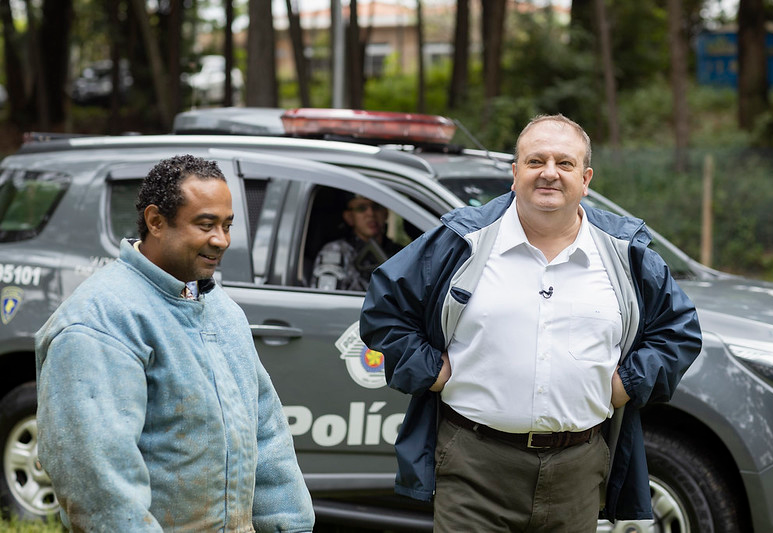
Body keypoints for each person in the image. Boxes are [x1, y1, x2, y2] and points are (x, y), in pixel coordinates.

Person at [360, 115, 702, 532]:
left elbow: (678, 330)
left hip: (578, 471)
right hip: (474, 467)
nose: (549, 174)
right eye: (535, 161)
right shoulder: (462, 242)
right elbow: (383, 308)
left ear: (586, 177)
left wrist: (630, 382)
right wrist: (428, 370)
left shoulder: (624, 253)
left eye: (565, 163)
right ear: (515, 172)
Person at [35, 155, 315, 533]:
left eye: (227, 225)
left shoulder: (221, 309)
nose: (221, 240)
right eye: (206, 225)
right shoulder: (99, 323)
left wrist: (292, 526)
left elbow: (266, 436)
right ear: (155, 221)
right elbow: (99, 483)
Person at [311, 193, 402, 291]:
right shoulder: (336, 251)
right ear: (349, 217)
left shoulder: (402, 254)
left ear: (386, 213)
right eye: (361, 208)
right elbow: (326, 300)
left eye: (376, 207)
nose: (371, 213)